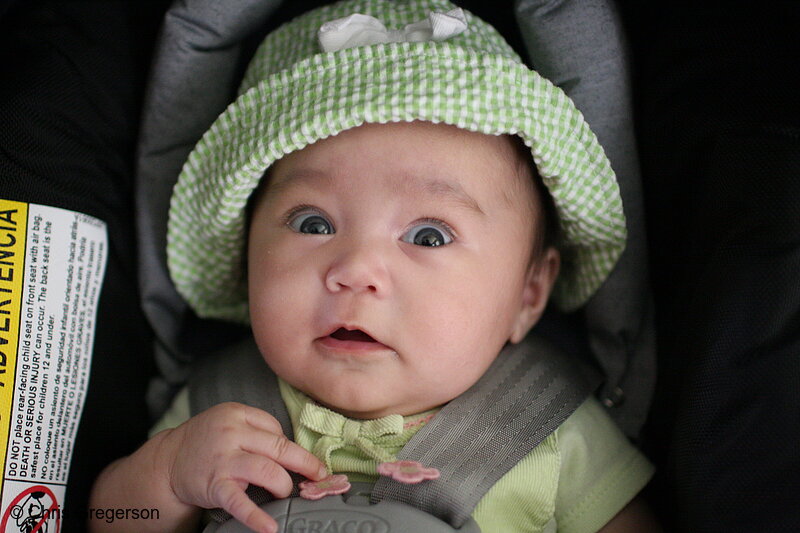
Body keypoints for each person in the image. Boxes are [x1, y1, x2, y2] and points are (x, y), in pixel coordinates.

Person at [89, 1, 658, 531]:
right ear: (245, 257)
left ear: (529, 293)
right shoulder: (215, 407)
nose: (356, 269)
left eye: (429, 235)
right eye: (313, 224)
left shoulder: (553, 431)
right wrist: (167, 478)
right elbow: (112, 522)